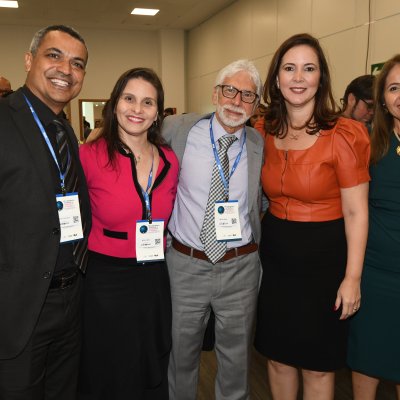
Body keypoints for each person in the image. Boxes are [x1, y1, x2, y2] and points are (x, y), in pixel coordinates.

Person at [253, 33, 370, 400]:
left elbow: (356, 211)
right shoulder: (262, 131)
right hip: (275, 261)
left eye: (309, 68)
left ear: (321, 78)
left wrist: (352, 278)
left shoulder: (344, 135)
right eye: (290, 68)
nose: (299, 77)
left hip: (325, 262)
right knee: (277, 359)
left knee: (318, 366)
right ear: (276, 78)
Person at [163, 59, 264, 400]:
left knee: (236, 362)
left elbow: (263, 200)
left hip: (240, 267)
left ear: (256, 103)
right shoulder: (177, 130)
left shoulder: (260, 145)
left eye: (247, 95)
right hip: (186, 265)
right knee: (181, 356)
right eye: (230, 90)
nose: (236, 101)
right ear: (215, 93)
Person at [0, 25, 91, 400]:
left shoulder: (63, 129)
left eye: (77, 63)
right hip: (18, 309)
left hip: (70, 303)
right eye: (54, 56)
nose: (65, 69)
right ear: (29, 60)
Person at [78, 67, 179, 399]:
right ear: (114, 103)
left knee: (151, 368)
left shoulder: (169, 160)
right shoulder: (89, 156)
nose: (137, 109)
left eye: (148, 102)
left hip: (153, 281)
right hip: (105, 283)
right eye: (129, 98)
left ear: (157, 112)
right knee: (109, 373)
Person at [347, 55, 400, 400]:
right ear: (383, 98)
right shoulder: (367, 144)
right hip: (374, 278)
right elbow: (352, 210)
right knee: (366, 369)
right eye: (395, 88)